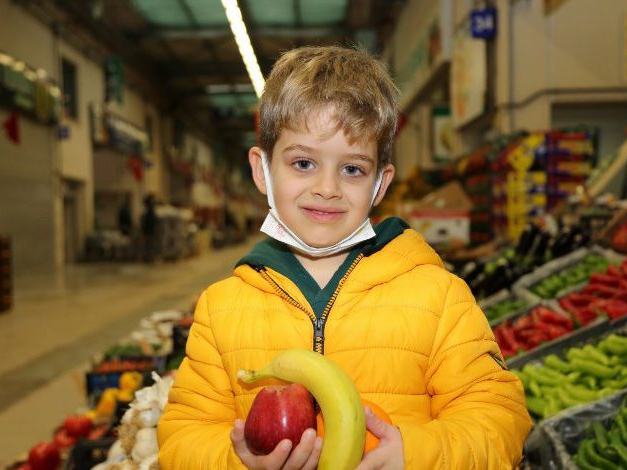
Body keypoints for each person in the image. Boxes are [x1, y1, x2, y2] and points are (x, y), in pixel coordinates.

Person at [158, 46, 531, 469]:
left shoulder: (439, 298)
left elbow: (500, 416)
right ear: (262, 170)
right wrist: (238, 463)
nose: (327, 188)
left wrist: (419, 456)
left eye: (352, 169)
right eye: (303, 163)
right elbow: (182, 435)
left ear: (379, 184)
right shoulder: (221, 309)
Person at [141, 194, 158, 262]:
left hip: (149, 231)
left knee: (149, 245)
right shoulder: (150, 210)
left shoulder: (149, 211)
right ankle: (149, 257)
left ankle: (149, 257)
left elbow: (149, 221)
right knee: (149, 245)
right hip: (149, 231)